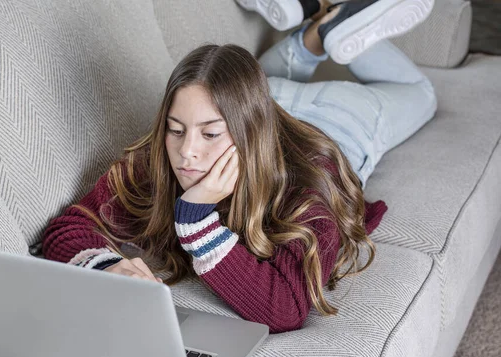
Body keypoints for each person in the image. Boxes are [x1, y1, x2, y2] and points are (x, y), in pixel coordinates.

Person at [42, 0, 437, 334]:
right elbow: (71, 227)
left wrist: (197, 222)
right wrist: (108, 267)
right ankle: (317, 16)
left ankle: (332, 26)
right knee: (266, 79)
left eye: (209, 135)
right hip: (265, 95)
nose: (187, 153)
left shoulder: (312, 180)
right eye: (175, 129)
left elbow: (286, 308)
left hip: (342, 117)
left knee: (420, 95)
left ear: (248, 133)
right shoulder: (165, 157)